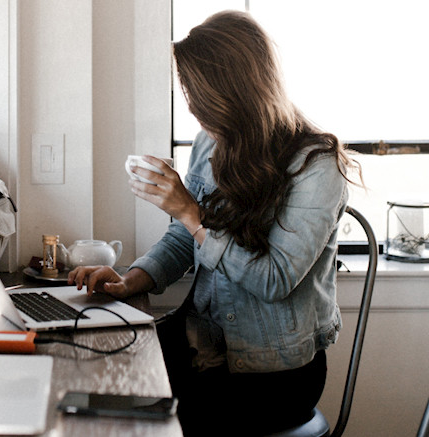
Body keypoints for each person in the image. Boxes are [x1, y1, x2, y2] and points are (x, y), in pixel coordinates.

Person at [68, 10, 360, 436]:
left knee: (126, 413)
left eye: (199, 97)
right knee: (91, 369)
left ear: (237, 92)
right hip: (203, 345)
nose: (193, 109)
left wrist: (191, 212)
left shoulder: (317, 167)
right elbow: (184, 237)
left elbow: (274, 280)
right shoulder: (211, 143)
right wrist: (133, 279)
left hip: (273, 376)